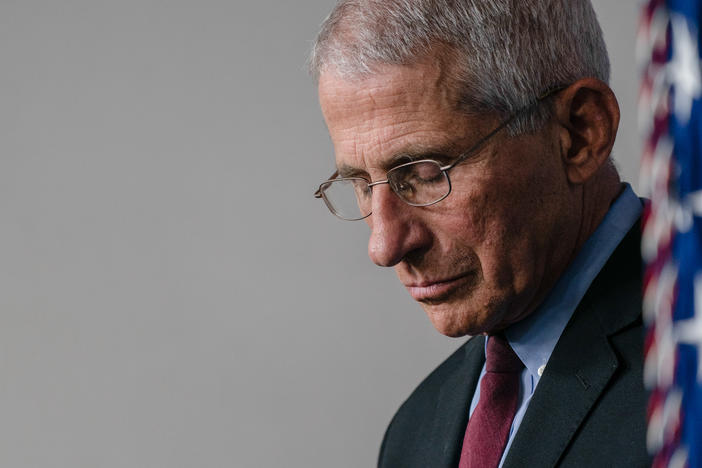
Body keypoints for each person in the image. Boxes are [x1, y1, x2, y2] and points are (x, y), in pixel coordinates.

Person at [310, 1, 650, 466]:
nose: (385, 246)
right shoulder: (414, 434)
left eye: (427, 173)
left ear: (580, 133)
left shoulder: (681, 383)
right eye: (362, 185)